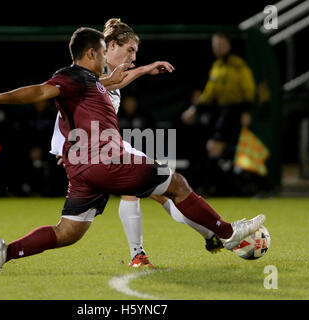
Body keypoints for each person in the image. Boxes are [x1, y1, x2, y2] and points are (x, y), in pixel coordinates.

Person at [0, 27, 265, 274]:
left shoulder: (91, 81)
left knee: (67, 233)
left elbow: (114, 80)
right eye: (101, 52)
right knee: (175, 183)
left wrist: (145, 70)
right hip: (105, 159)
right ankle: (226, 234)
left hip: (82, 169)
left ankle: (3, 253)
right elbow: (39, 91)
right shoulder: (72, 76)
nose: (104, 59)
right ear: (91, 54)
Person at [50, 19, 224, 269]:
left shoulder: (107, 76)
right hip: (97, 152)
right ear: (108, 47)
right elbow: (64, 113)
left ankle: (210, 235)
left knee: (167, 193)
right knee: (143, 188)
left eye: (135, 52)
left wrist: (144, 69)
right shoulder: (86, 74)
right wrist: (63, 146)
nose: (133, 56)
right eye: (129, 50)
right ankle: (139, 254)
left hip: (108, 146)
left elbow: (115, 83)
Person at [181, 33, 256, 195]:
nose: (218, 48)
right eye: (215, 44)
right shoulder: (217, 66)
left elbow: (248, 90)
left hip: (235, 111)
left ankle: (220, 187)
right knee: (213, 148)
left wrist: (246, 111)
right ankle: (214, 187)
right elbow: (209, 93)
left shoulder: (238, 65)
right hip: (221, 111)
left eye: (221, 44)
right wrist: (194, 109)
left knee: (218, 147)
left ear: (229, 45)